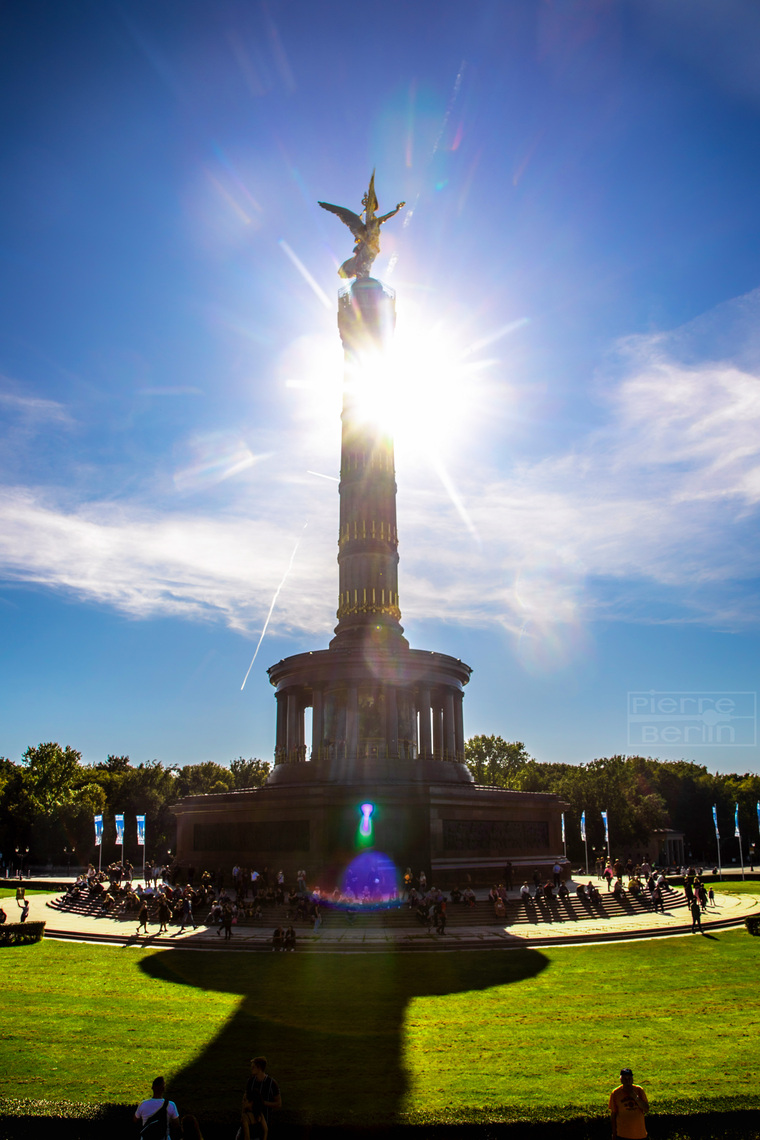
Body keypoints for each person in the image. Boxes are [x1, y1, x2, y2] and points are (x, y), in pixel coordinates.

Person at [134, 1076, 179, 1140]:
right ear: (163, 1089)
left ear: (152, 1087)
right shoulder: (171, 1105)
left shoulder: (143, 1104)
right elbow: (176, 1124)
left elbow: (135, 1120)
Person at [609, 1068, 649, 1139]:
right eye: (625, 1079)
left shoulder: (639, 1090)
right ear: (621, 1080)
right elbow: (613, 1114)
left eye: (629, 1079)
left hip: (640, 1135)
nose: (627, 1081)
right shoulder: (616, 1093)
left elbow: (646, 1109)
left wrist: (635, 1097)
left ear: (632, 1079)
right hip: (623, 1135)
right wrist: (614, 1133)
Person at [244, 1058, 281, 1130]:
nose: (251, 1069)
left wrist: (262, 1102)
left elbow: (279, 1103)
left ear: (259, 1068)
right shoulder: (250, 1081)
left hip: (266, 1121)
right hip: (251, 1122)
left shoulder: (271, 1083)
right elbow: (245, 1098)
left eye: (253, 1067)